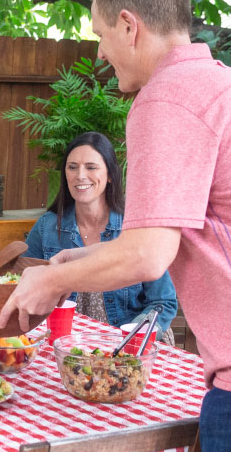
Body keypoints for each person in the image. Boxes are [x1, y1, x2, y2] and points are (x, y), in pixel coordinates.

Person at [0, 0, 231, 452]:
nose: (101, 55)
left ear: (130, 26)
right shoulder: (225, 86)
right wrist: (70, 265)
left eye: (101, 36)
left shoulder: (167, 99)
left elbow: (148, 253)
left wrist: (47, 287)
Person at [24, 131, 177, 340]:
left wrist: (130, 338)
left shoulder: (135, 228)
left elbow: (163, 302)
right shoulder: (47, 226)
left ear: (110, 174)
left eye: (91, 167)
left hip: (129, 348)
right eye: (72, 167)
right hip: (67, 345)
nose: (80, 175)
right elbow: (21, 284)